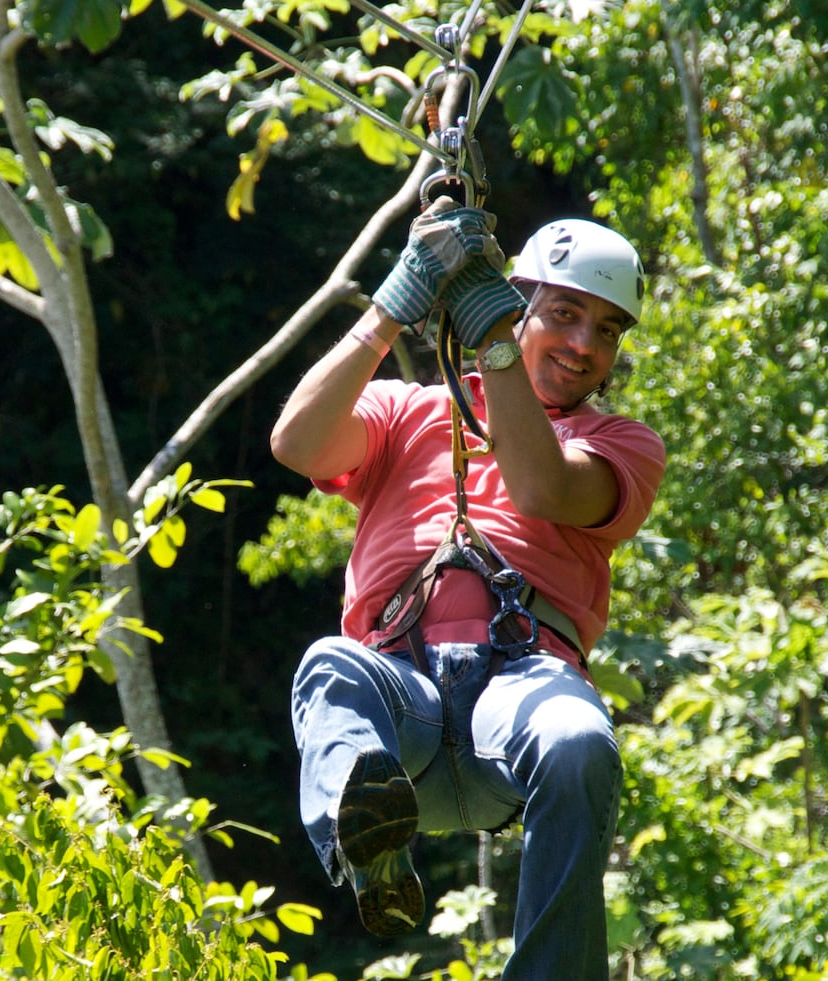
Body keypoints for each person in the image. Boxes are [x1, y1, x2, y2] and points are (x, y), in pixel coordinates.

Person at [270, 200, 666, 980]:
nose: (585, 345)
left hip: (519, 696)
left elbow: (540, 486)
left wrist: (496, 340)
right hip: (403, 696)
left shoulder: (620, 444)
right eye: (565, 314)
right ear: (522, 303)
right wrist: (394, 304)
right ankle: (368, 836)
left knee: (579, 741)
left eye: (607, 330)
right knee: (331, 664)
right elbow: (297, 442)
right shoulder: (405, 412)